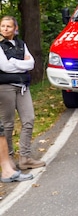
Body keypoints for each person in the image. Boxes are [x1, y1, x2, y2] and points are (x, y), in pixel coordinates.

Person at [0, 15, 46, 170]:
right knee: (8, 124)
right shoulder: (0, 46)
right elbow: (5, 67)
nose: (5, 29)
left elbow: (31, 63)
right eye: (3, 26)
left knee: (29, 119)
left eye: (9, 26)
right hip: (5, 88)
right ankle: (9, 159)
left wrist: (13, 61)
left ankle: (25, 158)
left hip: (23, 87)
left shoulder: (21, 44)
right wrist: (21, 64)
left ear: (15, 28)